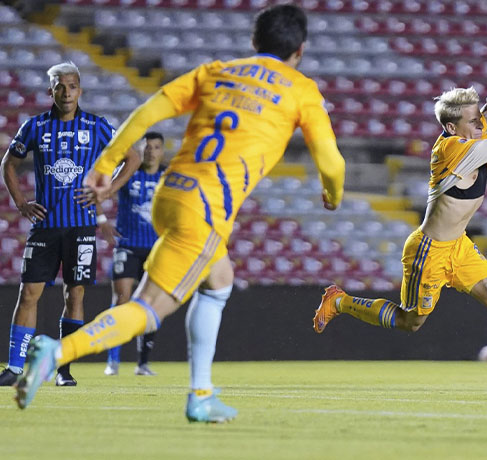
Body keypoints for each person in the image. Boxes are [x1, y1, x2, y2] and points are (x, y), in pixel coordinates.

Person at [15, 5, 346, 423]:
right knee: (147, 309)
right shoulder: (301, 89)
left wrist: (104, 166)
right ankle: (58, 351)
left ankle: (201, 394)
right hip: (206, 210)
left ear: (253, 43)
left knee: (218, 280)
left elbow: (149, 112)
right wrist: (331, 194)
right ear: (299, 50)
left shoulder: (216, 71)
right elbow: (332, 163)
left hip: (171, 192)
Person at [313, 86, 487, 397]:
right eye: (473, 119)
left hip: (459, 245)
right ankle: (340, 301)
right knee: (411, 321)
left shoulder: (471, 132)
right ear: (452, 127)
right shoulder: (451, 149)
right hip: (430, 250)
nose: (480, 122)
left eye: (480, 116)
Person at [0, 62, 138, 387]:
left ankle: (63, 369)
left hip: (81, 228)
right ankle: (15, 368)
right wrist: (21, 203)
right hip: (45, 228)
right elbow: (8, 162)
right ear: (50, 91)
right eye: (60, 86)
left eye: (72, 86)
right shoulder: (34, 127)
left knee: (74, 295)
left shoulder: (97, 126)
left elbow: (131, 156)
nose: (66, 92)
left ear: (80, 90)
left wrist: (109, 190)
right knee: (29, 293)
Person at [98, 132, 167, 377]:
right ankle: (113, 361)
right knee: (122, 300)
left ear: (162, 151)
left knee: (150, 305)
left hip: (156, 249)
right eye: (146, 147)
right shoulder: (129, 172)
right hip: (127, 245)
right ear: (140, 150)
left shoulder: (167, 177)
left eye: (156, 147)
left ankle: (143, 363)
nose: (150, 151)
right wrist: (102, 219)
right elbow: (100, 188)